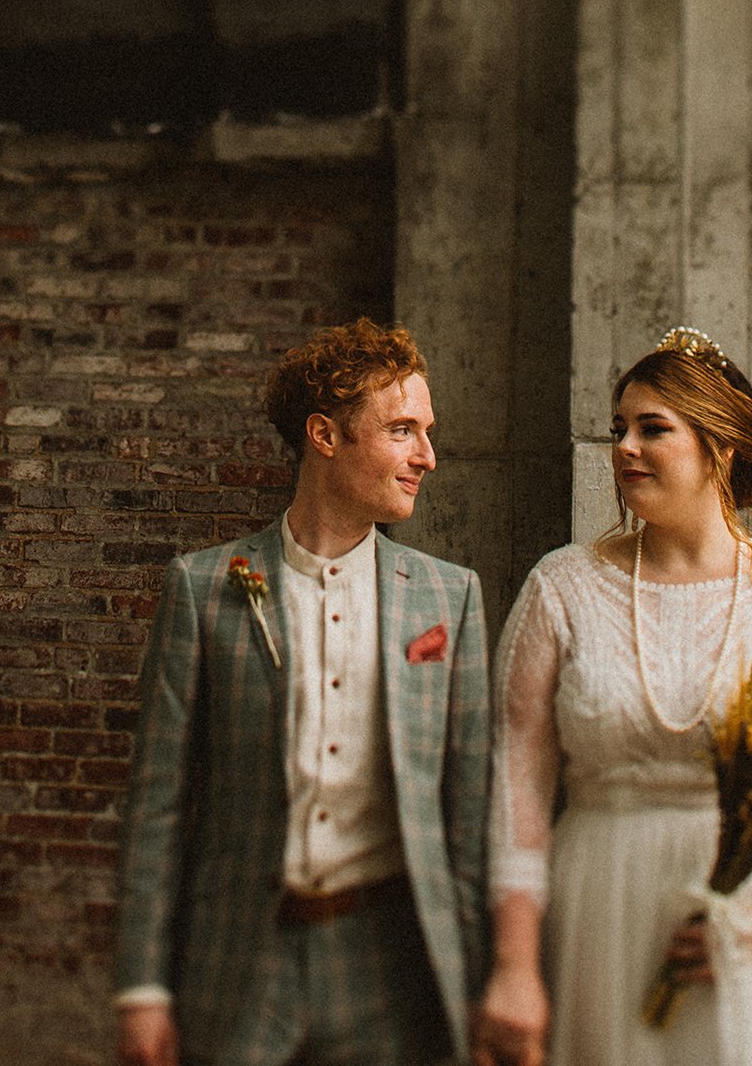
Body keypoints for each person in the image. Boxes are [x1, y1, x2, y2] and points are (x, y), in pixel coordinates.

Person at [471, 328, 752, 1066]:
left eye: (652, 429)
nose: (625, 448)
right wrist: (514, 965)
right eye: (619, 430)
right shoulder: (562, 587)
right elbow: (517, 790)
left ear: (719, 449)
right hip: (600, 914)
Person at [115, 318, 491, 1066]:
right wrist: (142, 988)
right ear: (325, 435)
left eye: (427, 432)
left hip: (393, 964)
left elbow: (470, 816)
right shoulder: (203, 587)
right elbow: (158, 804)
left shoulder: (450, 600)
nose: (428, 456)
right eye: (403, 431)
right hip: (240, 957)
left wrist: (479, 985)